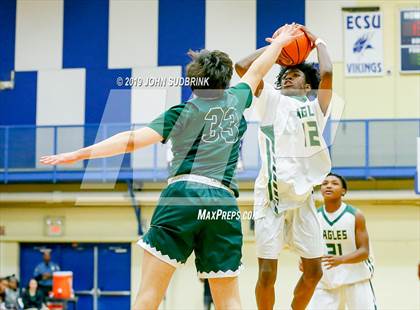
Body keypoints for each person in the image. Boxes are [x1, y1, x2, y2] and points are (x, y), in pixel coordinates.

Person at [40, 24, 303, 309]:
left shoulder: (181, 112)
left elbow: (130, 141)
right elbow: (257, 71)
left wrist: (78, 154)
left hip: (182, 196)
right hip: (223, 202)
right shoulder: (237, 99)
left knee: (149, 295)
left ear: (193, 81)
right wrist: (282, 42)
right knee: (229, 301)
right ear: (225, 80)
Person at [235, 25, 333, 310]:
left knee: (314, 272)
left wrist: (319, 41)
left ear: (307, 86)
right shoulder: (270, 101)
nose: (288, 77)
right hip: (271, 197)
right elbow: (242, 67)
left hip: (303, 198)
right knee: (267, 272)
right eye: (285, 75)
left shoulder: (317, 108)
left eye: (295, 75)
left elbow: (327, 74)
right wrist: (277, 46)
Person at [305, 173, 377, 310]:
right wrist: (305, 260)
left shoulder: (355, 215)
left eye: (334, 183)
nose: (329, 186)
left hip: (356, 278)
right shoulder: (315, 216)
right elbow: (310, 247)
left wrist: (341, 260)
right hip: (326, 281)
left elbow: (364, 252)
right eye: (325, 183)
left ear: (343, 191)